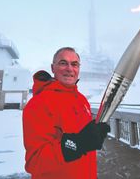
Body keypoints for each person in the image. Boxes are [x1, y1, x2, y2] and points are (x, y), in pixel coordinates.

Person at [22, 47, 110, 179]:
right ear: (52, 68)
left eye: (74, 64)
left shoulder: (82, 100)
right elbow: (35, 162)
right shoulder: (38, 103)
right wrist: (78, 144)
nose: (69, 68)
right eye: (63, 63)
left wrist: (94, 134)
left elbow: (85, 142)